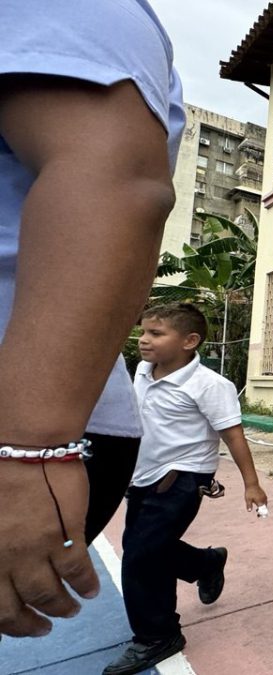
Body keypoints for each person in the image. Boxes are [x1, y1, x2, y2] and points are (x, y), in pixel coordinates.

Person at [0, 0, 184, 640]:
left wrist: (30, 451)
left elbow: (113, 180)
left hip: (27, 429)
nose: (146, 339)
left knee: (149, 559)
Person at [104, 303, 268, 675]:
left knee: (140, 558)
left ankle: (157, 636)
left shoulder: (209, 385)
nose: (144, 340)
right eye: (143, 331)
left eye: (156, 334)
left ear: (189, 341)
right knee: (147, 549)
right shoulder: (142, 371)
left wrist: (252, 483)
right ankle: (205, 563)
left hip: (183, 479)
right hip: (143, 477)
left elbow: (233, 434)